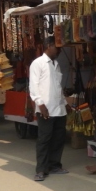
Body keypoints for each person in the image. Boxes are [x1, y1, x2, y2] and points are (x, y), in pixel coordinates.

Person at [29, 37, 70, 182]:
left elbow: (57, 86)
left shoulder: (56, 64)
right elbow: (33, 86)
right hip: (46, 108)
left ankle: (54, 165)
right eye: (57, 48)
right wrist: (41, 105)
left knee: (59, 138)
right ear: (49, 46)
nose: (59, 51)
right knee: (44, 139)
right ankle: (41, 169)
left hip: (59, 108)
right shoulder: (38, 63)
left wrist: (65, 103)